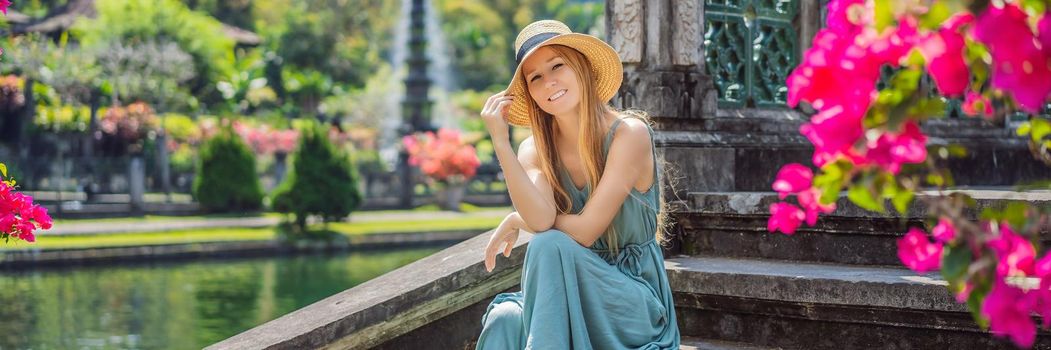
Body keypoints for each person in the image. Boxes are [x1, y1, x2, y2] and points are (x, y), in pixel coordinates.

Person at [475, 19, 681, 349]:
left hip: (631, 302)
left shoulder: (629, 135)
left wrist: (518, 220)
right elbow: (541, 219)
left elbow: (584, 231)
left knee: (546, 244)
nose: (549, 82)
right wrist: (501, 142)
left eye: (558, 65)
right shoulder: (534, 150)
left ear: (581, 67)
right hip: (566, 290)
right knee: (504, 320)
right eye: (535, 77)